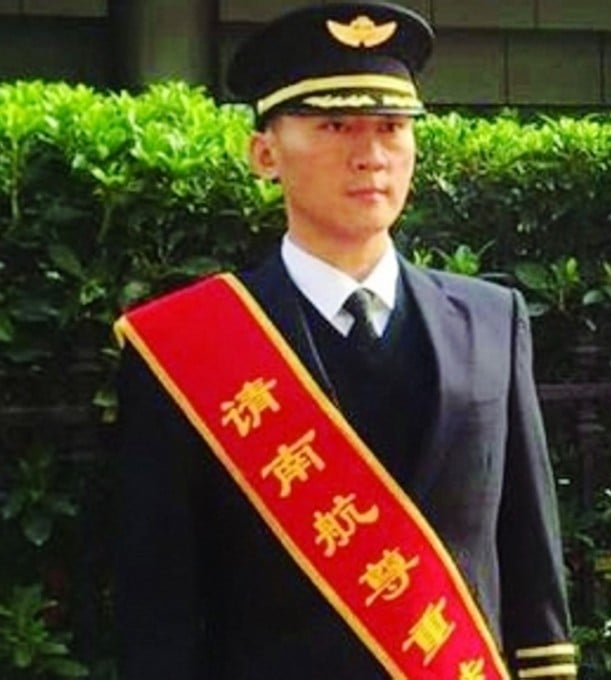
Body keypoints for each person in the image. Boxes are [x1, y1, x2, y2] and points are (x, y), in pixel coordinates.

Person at [112, 2, 575, 678]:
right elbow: (159, 606)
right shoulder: (186, 347)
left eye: (392, 127)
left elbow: (531, 564)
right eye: (334, 125)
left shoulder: (492, 321)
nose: (371, 155)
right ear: (264, 153)